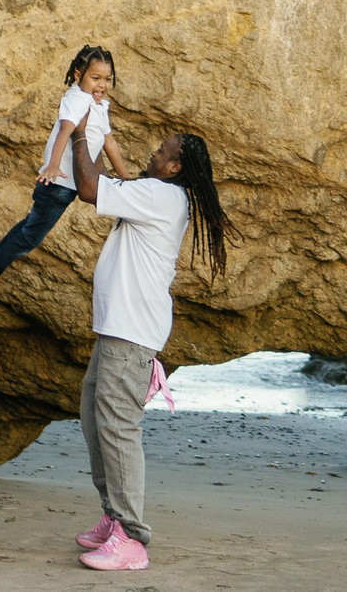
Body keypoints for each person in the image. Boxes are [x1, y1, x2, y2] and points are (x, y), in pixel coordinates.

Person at [67, 123, 233, 572]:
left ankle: (132, 538)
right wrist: (105, 141)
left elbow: (89, 187)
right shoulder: (157, 195)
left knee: (118, 430)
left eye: (161, 152)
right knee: (94, 419)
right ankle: (113, 516)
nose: (154, 154)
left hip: (131, 333)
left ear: (175, 167)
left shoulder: (160, 197)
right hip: (118, 331)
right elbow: (121, 182)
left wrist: (80, 133)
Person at [0, 46, 130, 316]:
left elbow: (109, 143)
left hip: (70, 184)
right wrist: (53, 165)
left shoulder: (100, 105)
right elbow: (65, 130)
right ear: (79, 74)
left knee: (28, 228)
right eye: (95, 78)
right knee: (30, 237)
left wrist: (128, 181)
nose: (102, 84)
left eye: (107, 78)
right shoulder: (76, 99)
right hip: (57, 183)